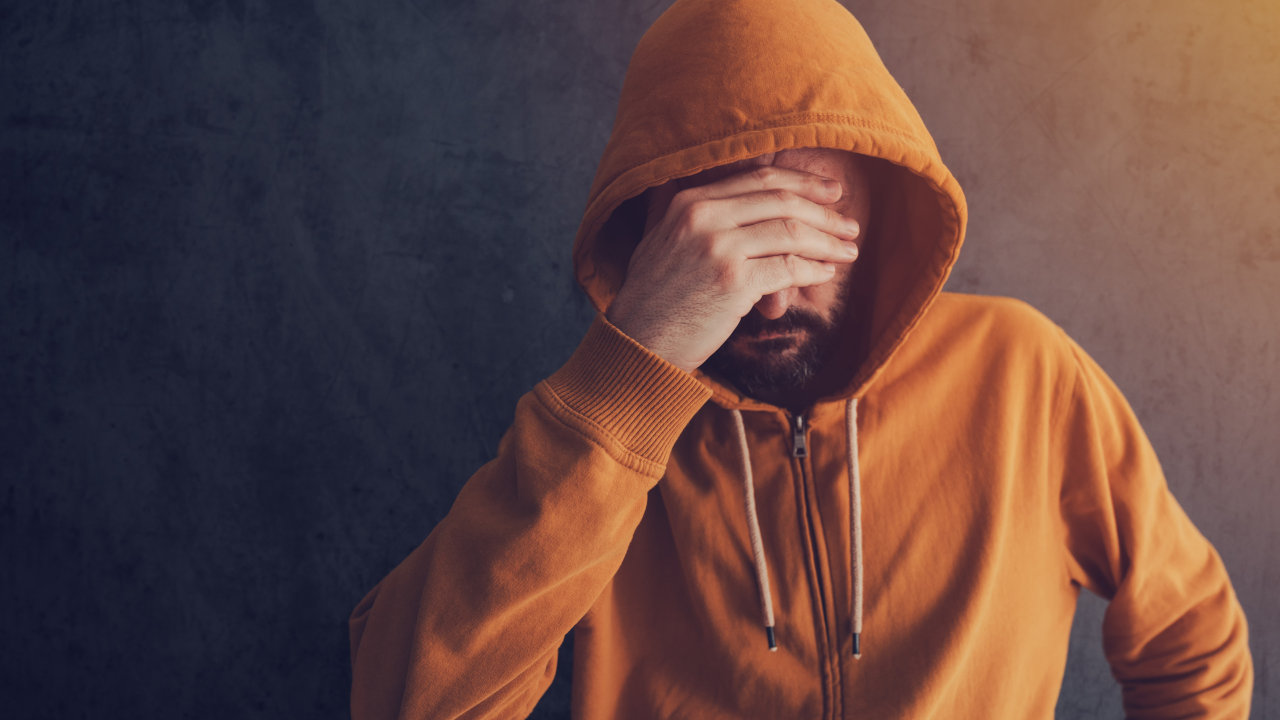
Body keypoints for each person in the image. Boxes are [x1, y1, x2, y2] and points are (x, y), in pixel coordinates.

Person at [348, 0, 1253, 717]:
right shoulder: (592, 453)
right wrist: (630, 376)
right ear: (655, 241)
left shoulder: (1020, 373)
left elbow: (1193, 637)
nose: (771, 299)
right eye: (726, 241)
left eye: (809, 224)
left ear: (881, 201)